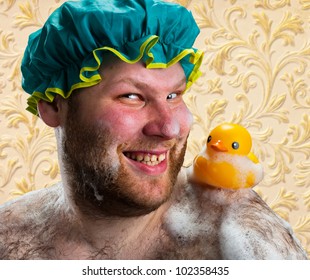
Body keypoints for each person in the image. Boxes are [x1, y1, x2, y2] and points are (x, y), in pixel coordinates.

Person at [0, 0, 307, 260]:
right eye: (131, 97)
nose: (170, 127)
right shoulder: (10, 238)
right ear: (53, 106)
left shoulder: (241, 241)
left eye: (174, 95)